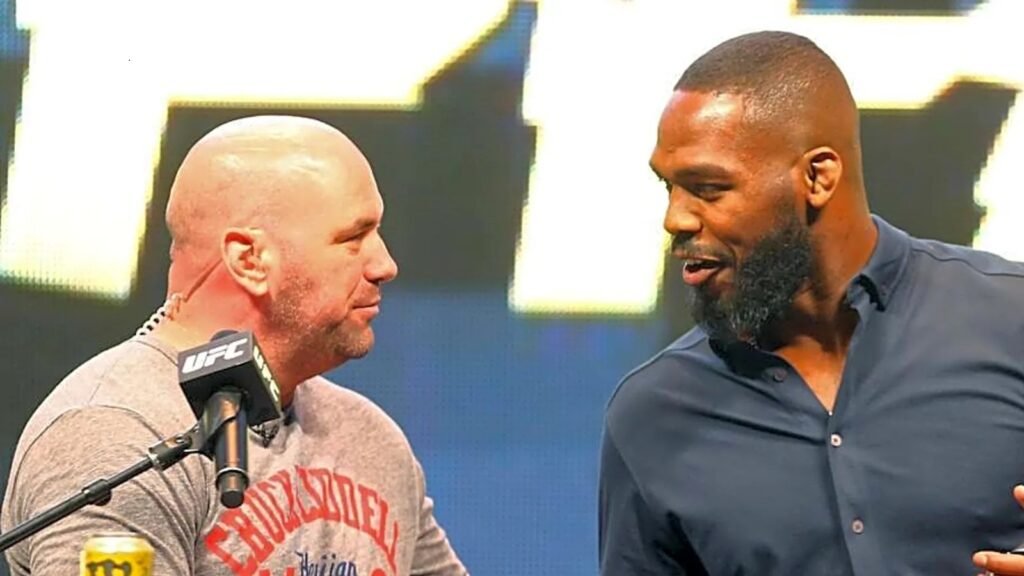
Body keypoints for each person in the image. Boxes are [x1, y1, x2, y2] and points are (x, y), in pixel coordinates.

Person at [598, 30, 1024, 576]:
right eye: (669, 188)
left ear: (817, 177)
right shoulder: (654, 417)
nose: (675, 220)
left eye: (707, 188)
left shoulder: (1010, 322)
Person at [2, 116, 469, 575]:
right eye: (352, 239)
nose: (384, 264)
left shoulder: (369, 439)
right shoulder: (116, 437)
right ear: (249, 259)